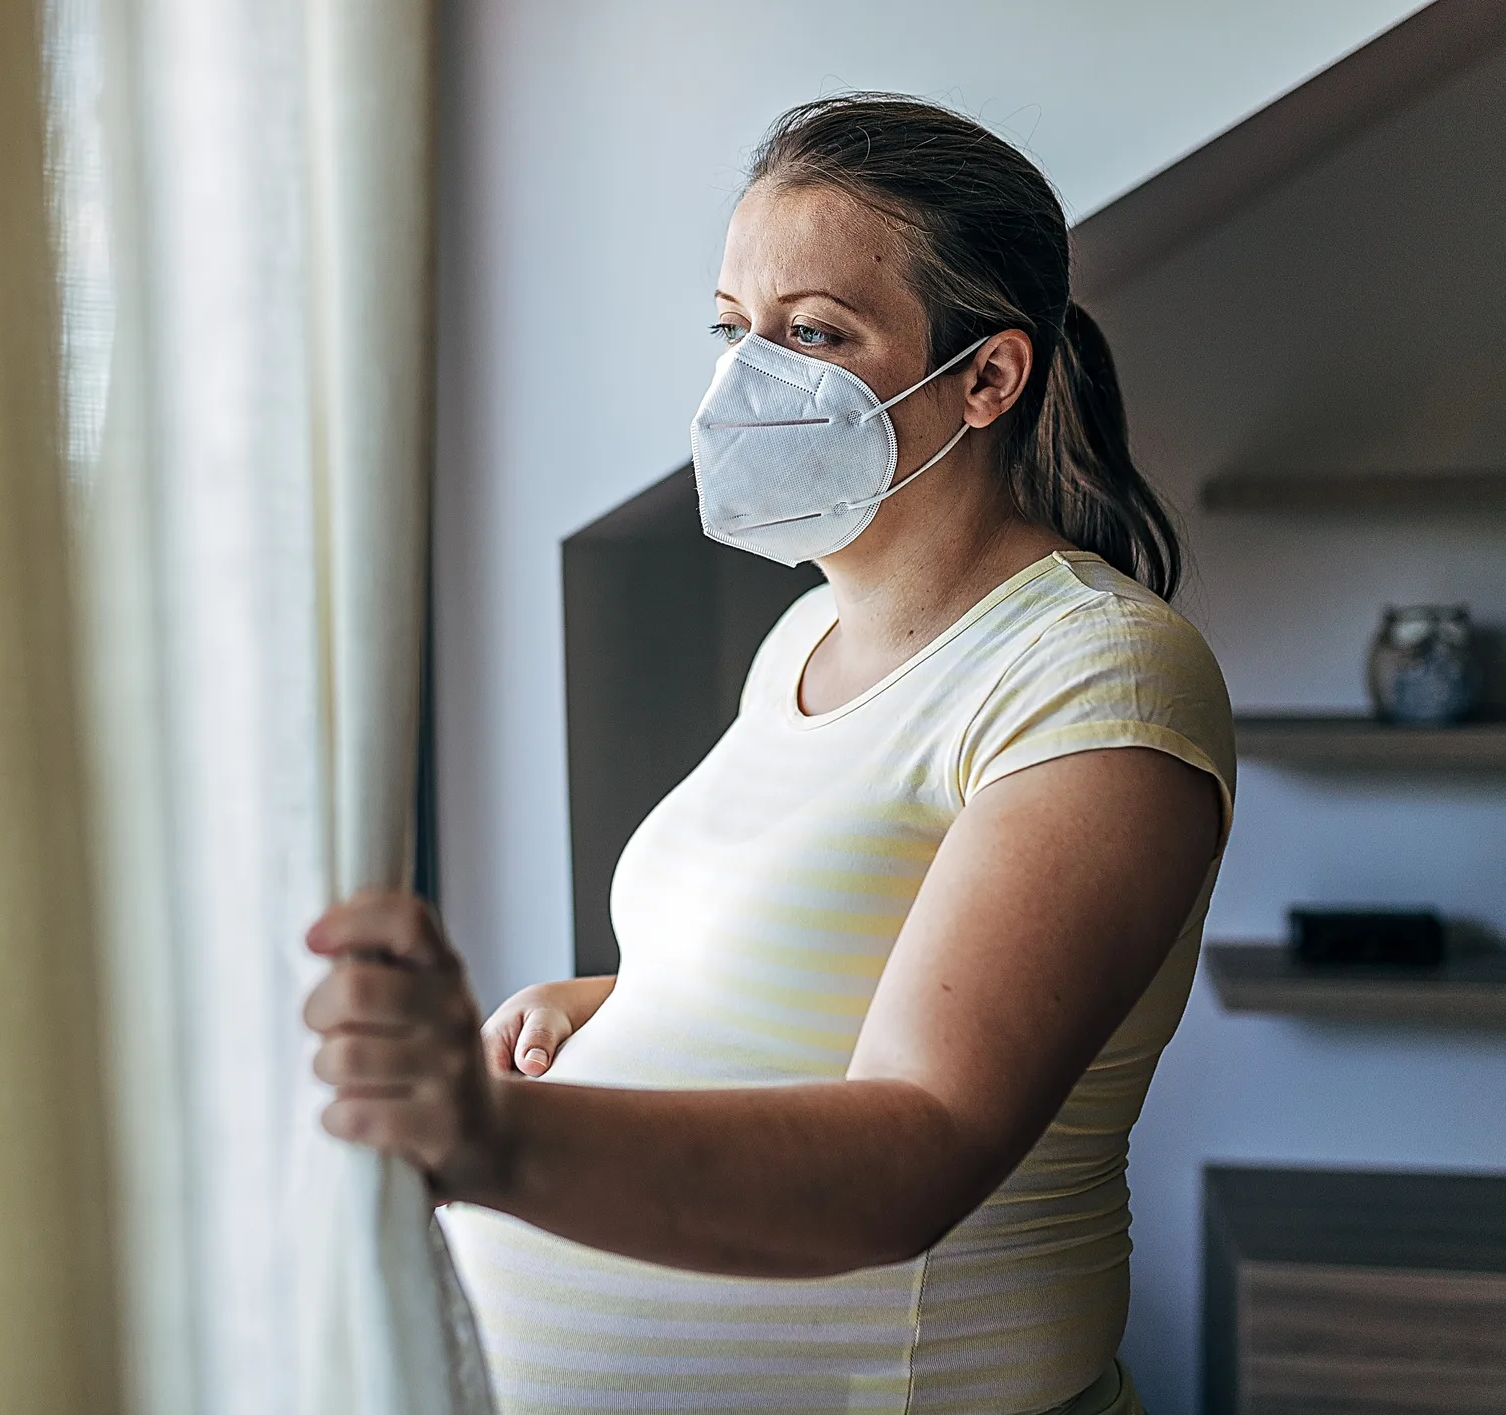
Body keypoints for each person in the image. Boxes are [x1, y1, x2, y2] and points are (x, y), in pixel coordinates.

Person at [303, 94, 1233, 1415]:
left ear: (988, 378)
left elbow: (920, 1142)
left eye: (813, 333)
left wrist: (486, 1133)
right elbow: (825, 956)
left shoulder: (1098, 674)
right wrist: (617, 1002)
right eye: (735, 330)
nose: (750, 380)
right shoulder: (805, 632)